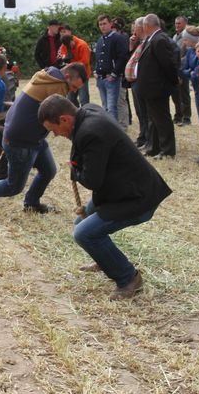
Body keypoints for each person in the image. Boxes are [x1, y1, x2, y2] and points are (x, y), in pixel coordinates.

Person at [38, 95, 172, 300]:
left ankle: (128, 278)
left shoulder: (91, 132)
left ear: (65, 119)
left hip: (137, 197)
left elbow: (92, 181)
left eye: (53, 129)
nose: (55, 135)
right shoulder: (89, 111)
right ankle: (105, 259)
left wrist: (76, 170)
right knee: (80, 223)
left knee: (84, 233)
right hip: (123, 190)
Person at [0, 63, 86, 213]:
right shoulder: (57, 85)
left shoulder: (48, 75)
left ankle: (31, 203)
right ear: (68, 77)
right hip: (21, 140)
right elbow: (62, 120)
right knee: (13, 186)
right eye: (74, 87)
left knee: (48, 170)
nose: (73, 91)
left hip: (31, 137)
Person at [136, 14, 179, 159]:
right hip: (150, 87)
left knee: (162, 119)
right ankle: (153, 147)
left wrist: (173, 81)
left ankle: (167, 150)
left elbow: (167, 64)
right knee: (153, 119)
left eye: (143, 25)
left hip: (157, 87)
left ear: (148, 25)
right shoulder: (151, 38)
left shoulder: (160, 39)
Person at [93, 14, 128, 122]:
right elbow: (98, 57)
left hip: (111, 78)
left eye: (104, 24)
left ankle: (114, 133)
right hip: (100, 77)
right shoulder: (100, 40)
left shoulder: (118, 38)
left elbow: (122, 57)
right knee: (105, 106)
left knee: (112, 107)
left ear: (110, 24)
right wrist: (95, 70)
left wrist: (114, 73)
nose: (102, 26)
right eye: (100, 24)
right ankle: (108, 130)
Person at [125, 17, 149, 148]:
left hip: (141, 82)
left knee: (144, 112)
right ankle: (143, 135)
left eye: (135, 27)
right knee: (140, 112)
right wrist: (131, 46)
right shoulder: (139, 43)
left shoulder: (147, 42)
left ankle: (147, 138)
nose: (133, 31)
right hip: (135, 82)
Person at [58, 25, 92, 106]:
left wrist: (71, 64)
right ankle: (76, 114)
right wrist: (64, 59)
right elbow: (63, 57)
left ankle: (85, 115)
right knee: (70, 99)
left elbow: (85, 62)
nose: (69, 47)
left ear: (72, 40)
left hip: (82, 75)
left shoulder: (82, 45)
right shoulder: (64, 45)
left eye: (70, 46)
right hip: (71, 76)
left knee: (83, 99)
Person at [172, 16, 192, 125]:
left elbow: (188, 54)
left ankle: (186, 117)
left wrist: (179, 61)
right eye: (176, 23)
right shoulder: (175, 36)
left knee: (184, 93)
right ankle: (178, 115)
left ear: (185, 24)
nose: (176, 25)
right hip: (175, 68)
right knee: (175, 93)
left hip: (183, 68)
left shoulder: (187, 36)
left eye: (179, 23)